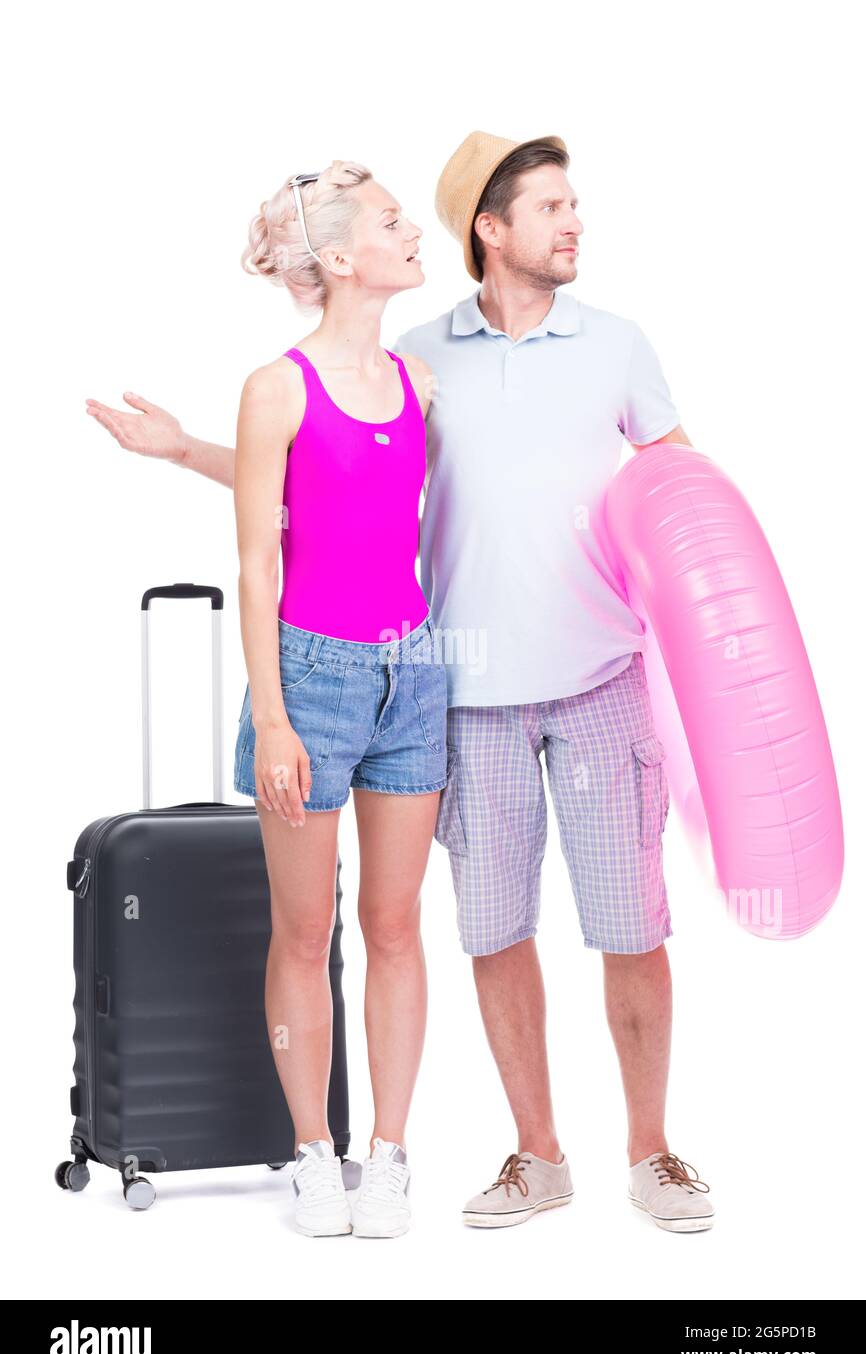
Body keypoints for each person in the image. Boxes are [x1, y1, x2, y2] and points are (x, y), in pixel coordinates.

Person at [86, 132, 714, 1235]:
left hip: (508, 674)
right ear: (490, 226)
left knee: (514, 926)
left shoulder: (525, 360)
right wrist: (187, 450)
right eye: (552, 207)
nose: (574, 225)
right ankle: (422, 1155)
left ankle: (540, 1155)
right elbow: (293, 499)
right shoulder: (380, 363)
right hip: (387, 679)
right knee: (405, 929)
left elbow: (675, 489)